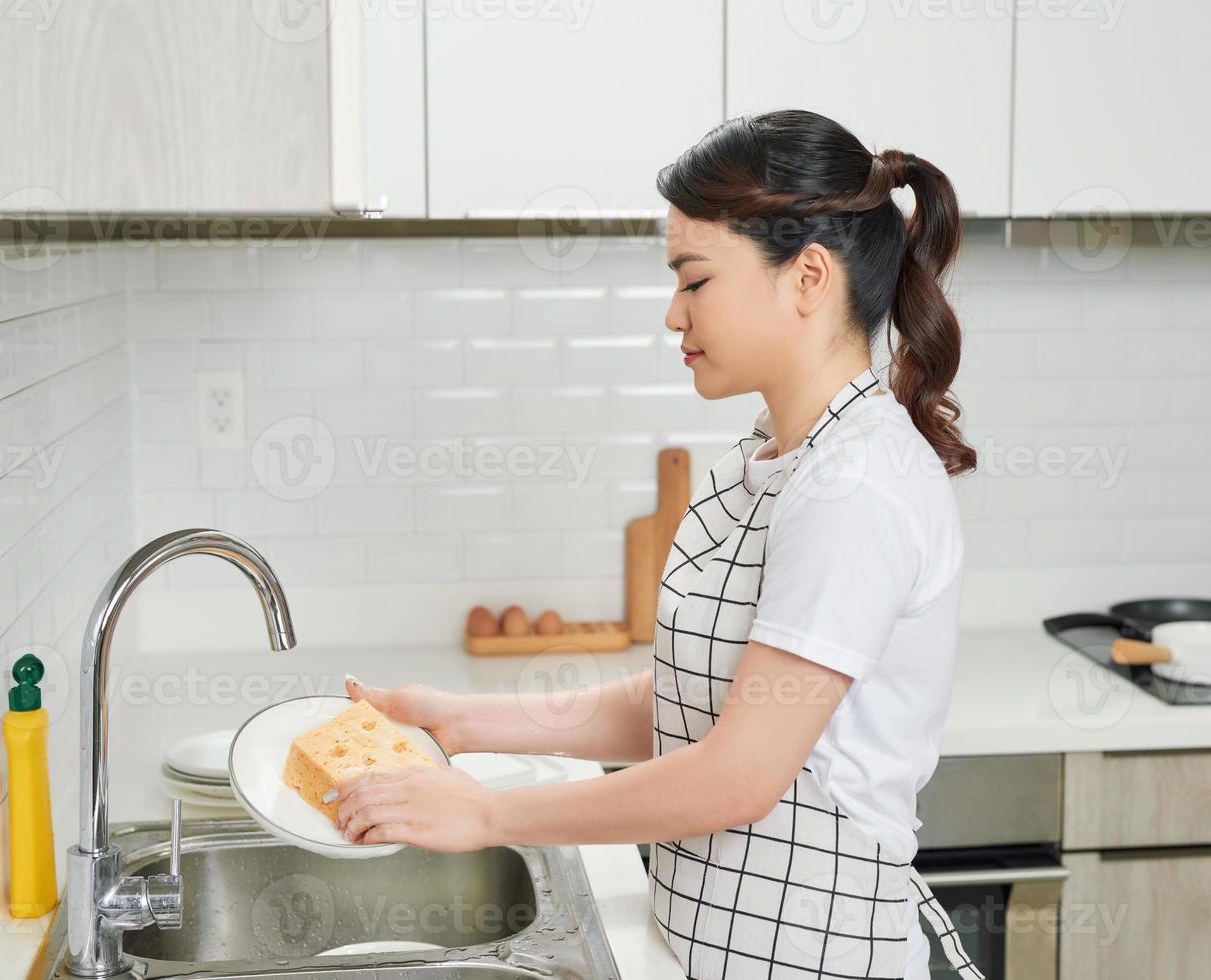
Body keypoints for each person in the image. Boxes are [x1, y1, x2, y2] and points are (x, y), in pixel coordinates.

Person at [333, 108, 982, 980]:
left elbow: (736, 777)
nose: (673, 314)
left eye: (694, 279)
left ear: (808, 277)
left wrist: (486, 814)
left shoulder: (855, 486)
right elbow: (682, 702)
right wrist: (461, 721)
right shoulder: (768, 458)